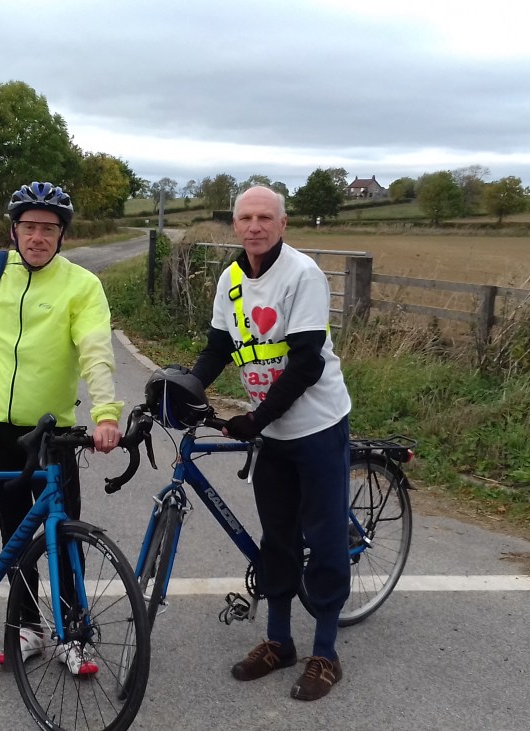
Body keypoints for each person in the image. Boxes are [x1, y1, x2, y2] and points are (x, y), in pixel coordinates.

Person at [0, 181, 123, 676]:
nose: (38, 237)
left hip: (52, 433)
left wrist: (106, 414)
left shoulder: (81, 285)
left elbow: (96, 350)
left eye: (49, 229)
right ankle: (27, 628)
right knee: (14, 533)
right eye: (29, 227)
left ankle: (71, 632)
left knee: (63, 532)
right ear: (14, 230)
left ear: (62, 236)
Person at [188, 185, 353, 701]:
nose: (254, 226)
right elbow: (218, 347)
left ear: (283, 224)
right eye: (246, 218)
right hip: (273, 432)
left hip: (317, 426)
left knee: (325, 538)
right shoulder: (231, 278)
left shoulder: (303, 274)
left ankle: (325, 652)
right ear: (235, 225)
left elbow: (305, 364)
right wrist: (184, 388)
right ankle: (279, 642)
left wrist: (255, 419)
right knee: (277, 539)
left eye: (265, 217)